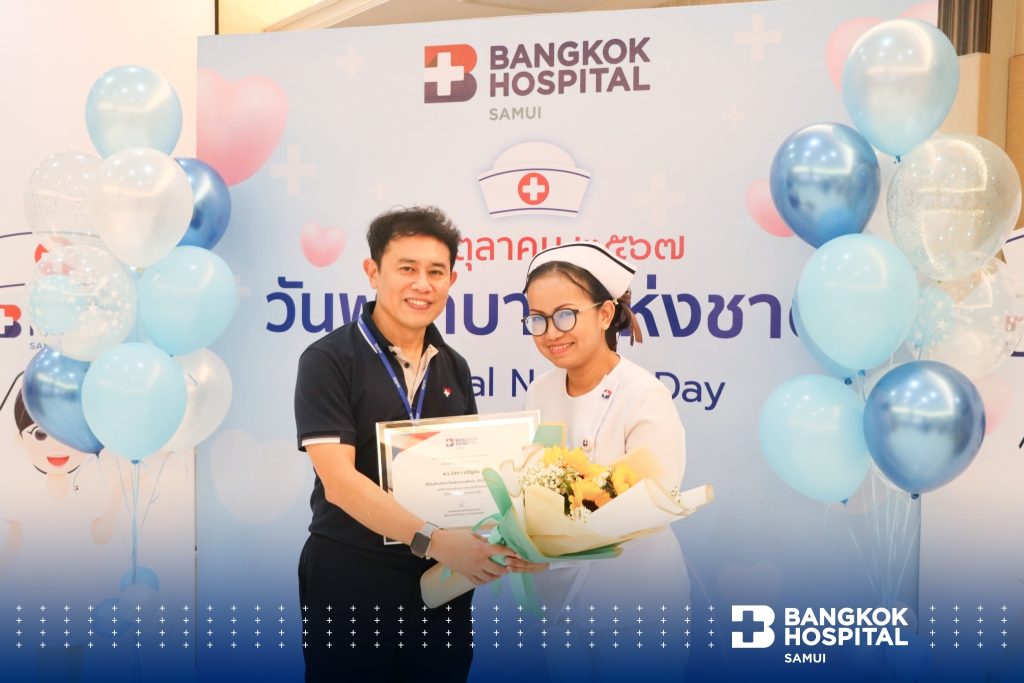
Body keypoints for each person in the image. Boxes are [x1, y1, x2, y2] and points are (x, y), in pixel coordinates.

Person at [293, 206, 540, 683]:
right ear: (373, 272)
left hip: (439, 581)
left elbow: (469, 481)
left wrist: (509, 539)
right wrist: (435, 540)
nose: (422, 284)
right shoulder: (328, 360)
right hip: (352, 575)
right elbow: (339, 482)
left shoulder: (454, 366)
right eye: (406, 268)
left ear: (452, 279)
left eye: (436, 272)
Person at [521, 243, 690, 679]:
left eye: (565, 315)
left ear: (605, 314)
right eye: (537, 319)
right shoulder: (540, 392)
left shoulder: (643, 393)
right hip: (561, 602)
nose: (551, 332)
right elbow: (531, 486)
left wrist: (562, 517)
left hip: (639, 604)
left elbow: (657, 496)